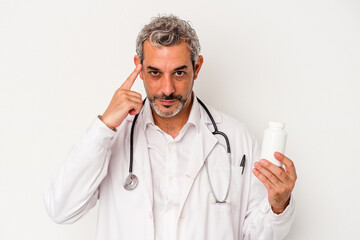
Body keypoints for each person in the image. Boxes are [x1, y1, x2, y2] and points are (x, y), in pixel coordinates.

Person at [44, 14, 297, 240]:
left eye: (179, 73)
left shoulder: (236, 139)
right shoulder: (112, 137)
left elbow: (257, 235)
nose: (166, 89)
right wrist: (104, 126)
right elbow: (61, 208)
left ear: (196, 68)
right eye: (154, 73)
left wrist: (278, 206)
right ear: (139, 68)